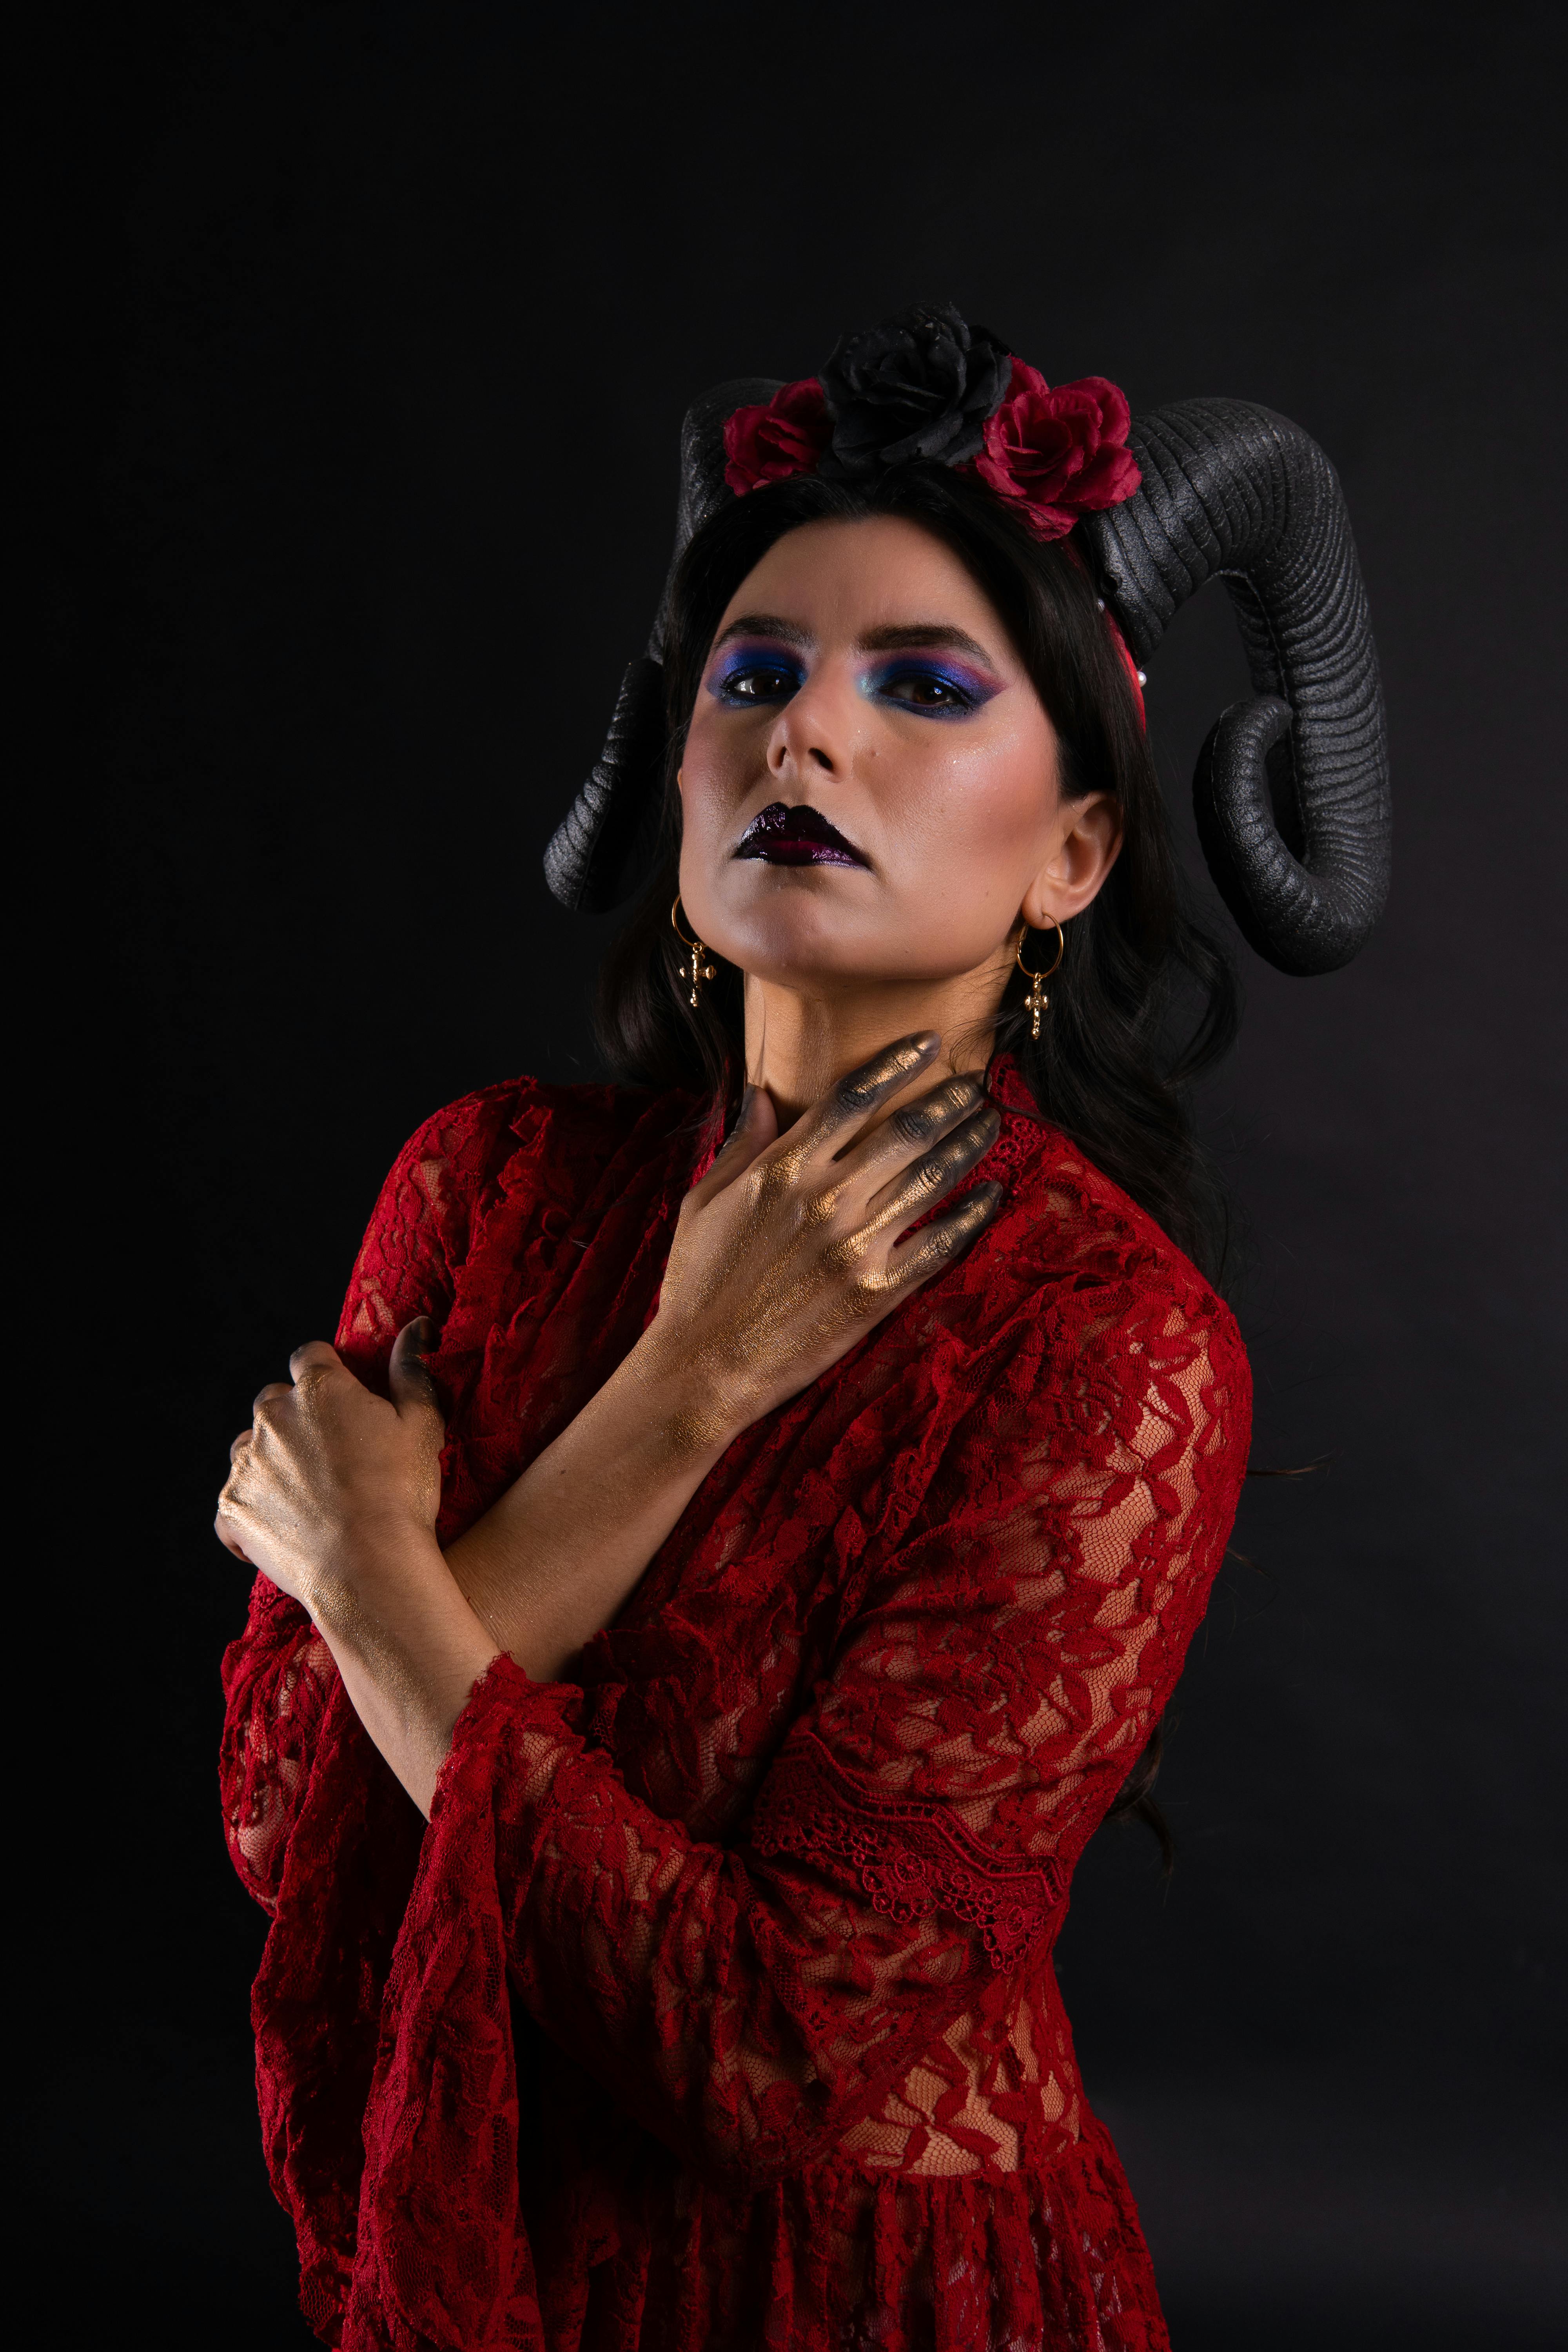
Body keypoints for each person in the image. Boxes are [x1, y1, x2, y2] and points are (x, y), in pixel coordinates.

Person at [217, 306, 1390, 2350]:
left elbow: (767, 2054)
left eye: (923, 686)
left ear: (1075, 854)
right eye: (753, 675)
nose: (803, 735)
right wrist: (684, 1383)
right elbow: (284, 1828)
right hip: (495, 2266)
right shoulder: (485, 1188)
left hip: (876, 2299)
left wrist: (370, 1567)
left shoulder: (1109, 1348)